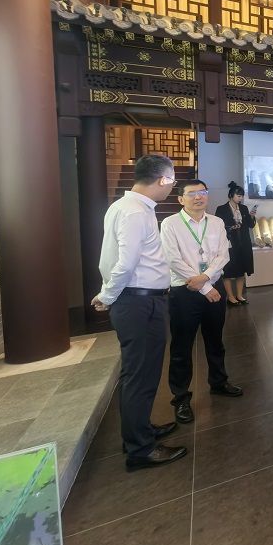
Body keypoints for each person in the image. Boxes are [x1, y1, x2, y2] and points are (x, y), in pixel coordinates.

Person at [92, 154, 186, 471]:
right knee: (140, 375)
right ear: (162, 180)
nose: (171, 187)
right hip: (139, 302)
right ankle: (140, 449)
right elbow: (126, 263)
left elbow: (116, 259)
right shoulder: (134, 212)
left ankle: (139, 431)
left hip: (139, 299)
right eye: (172, 181)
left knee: (141, 373)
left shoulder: (128, 206)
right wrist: (108, 295)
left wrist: (109, 293)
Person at [161, 179, 243, 425]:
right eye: (192, 193)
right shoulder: (170, 224)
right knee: (182, 347)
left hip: (213, 287)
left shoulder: (216, 222)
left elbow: (223, 255)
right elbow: (172, 259)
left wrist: (206, 279)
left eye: (203, 192)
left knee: (215, 339)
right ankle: (181, 398)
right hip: (184, 291)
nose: (198, 197)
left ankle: (218, 382)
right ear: (180, 199)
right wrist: (205, 286)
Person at [215, 182, 256, 306]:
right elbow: (217, 227)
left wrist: (252, 216)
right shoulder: (221, 209)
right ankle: (230, 297)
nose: (240, 198)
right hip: (230, 243)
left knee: (242, 270)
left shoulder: (243, 208)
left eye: (242, 196)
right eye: (238, 196)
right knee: (228, 271)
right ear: (231, 195)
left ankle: (239, 295)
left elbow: (251, 225)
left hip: (243, 243)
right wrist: (231, 227)